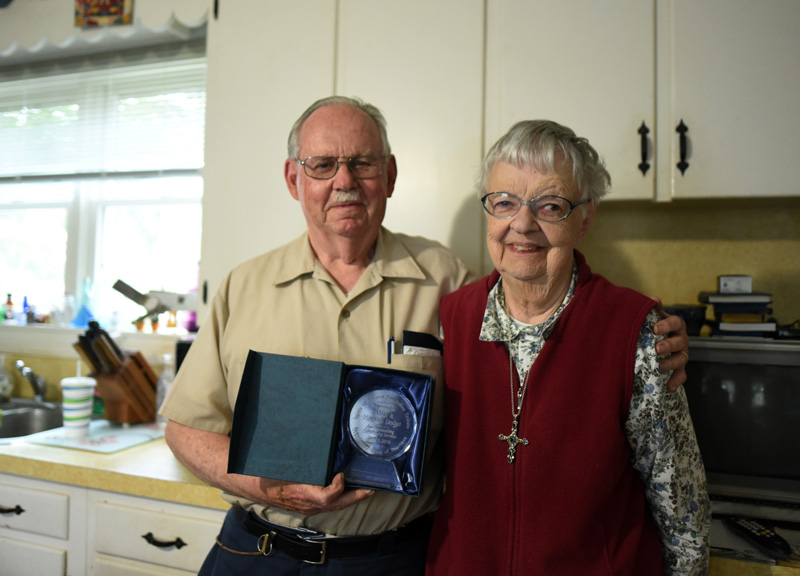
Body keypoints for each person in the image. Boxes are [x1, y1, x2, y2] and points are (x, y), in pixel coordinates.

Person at [160, 97, 691, 575]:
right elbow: (187, 428)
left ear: (389, 175)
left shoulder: (450, 284)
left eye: (363, 163)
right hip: (255, 555)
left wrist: (647, 337)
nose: (344, 181)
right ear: (293, 179)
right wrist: (265, 489)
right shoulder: (242, 286)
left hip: (390, 560)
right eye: (322, 165)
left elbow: (542, 335)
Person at [425, 120, 711, 576]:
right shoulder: (449, 320)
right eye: (504, 202)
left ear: (586, 217)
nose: (522, 224)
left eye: (550, 205)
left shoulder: (635, 331)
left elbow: (681, 506)